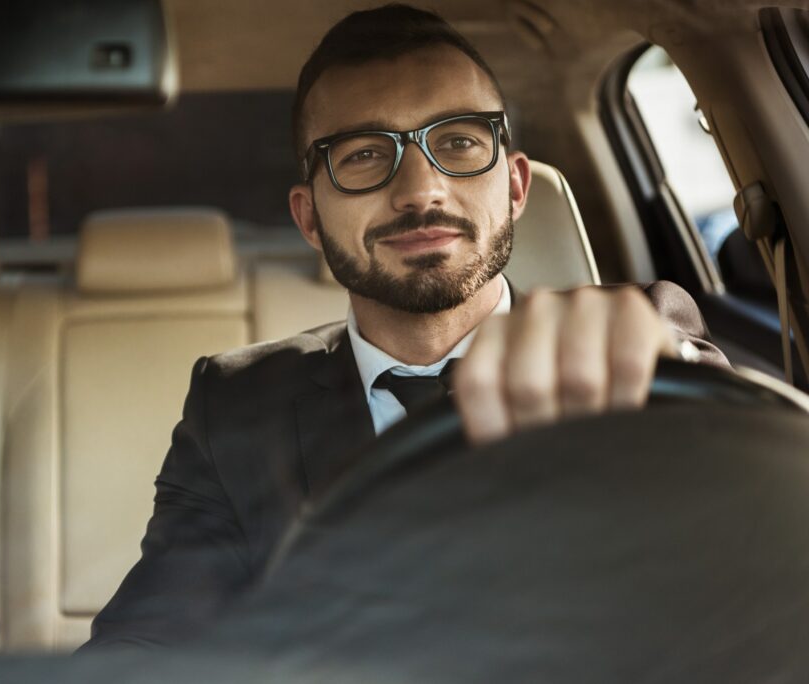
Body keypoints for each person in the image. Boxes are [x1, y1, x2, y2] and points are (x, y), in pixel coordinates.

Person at [82, 4, 728, 650]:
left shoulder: (633, 342)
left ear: (516, 186)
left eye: (458, 142)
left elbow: (743, 529)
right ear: (309, 219)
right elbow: (143, 648)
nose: (421, 190)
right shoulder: (234, 409)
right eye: (364, 155)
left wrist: (662, 381)